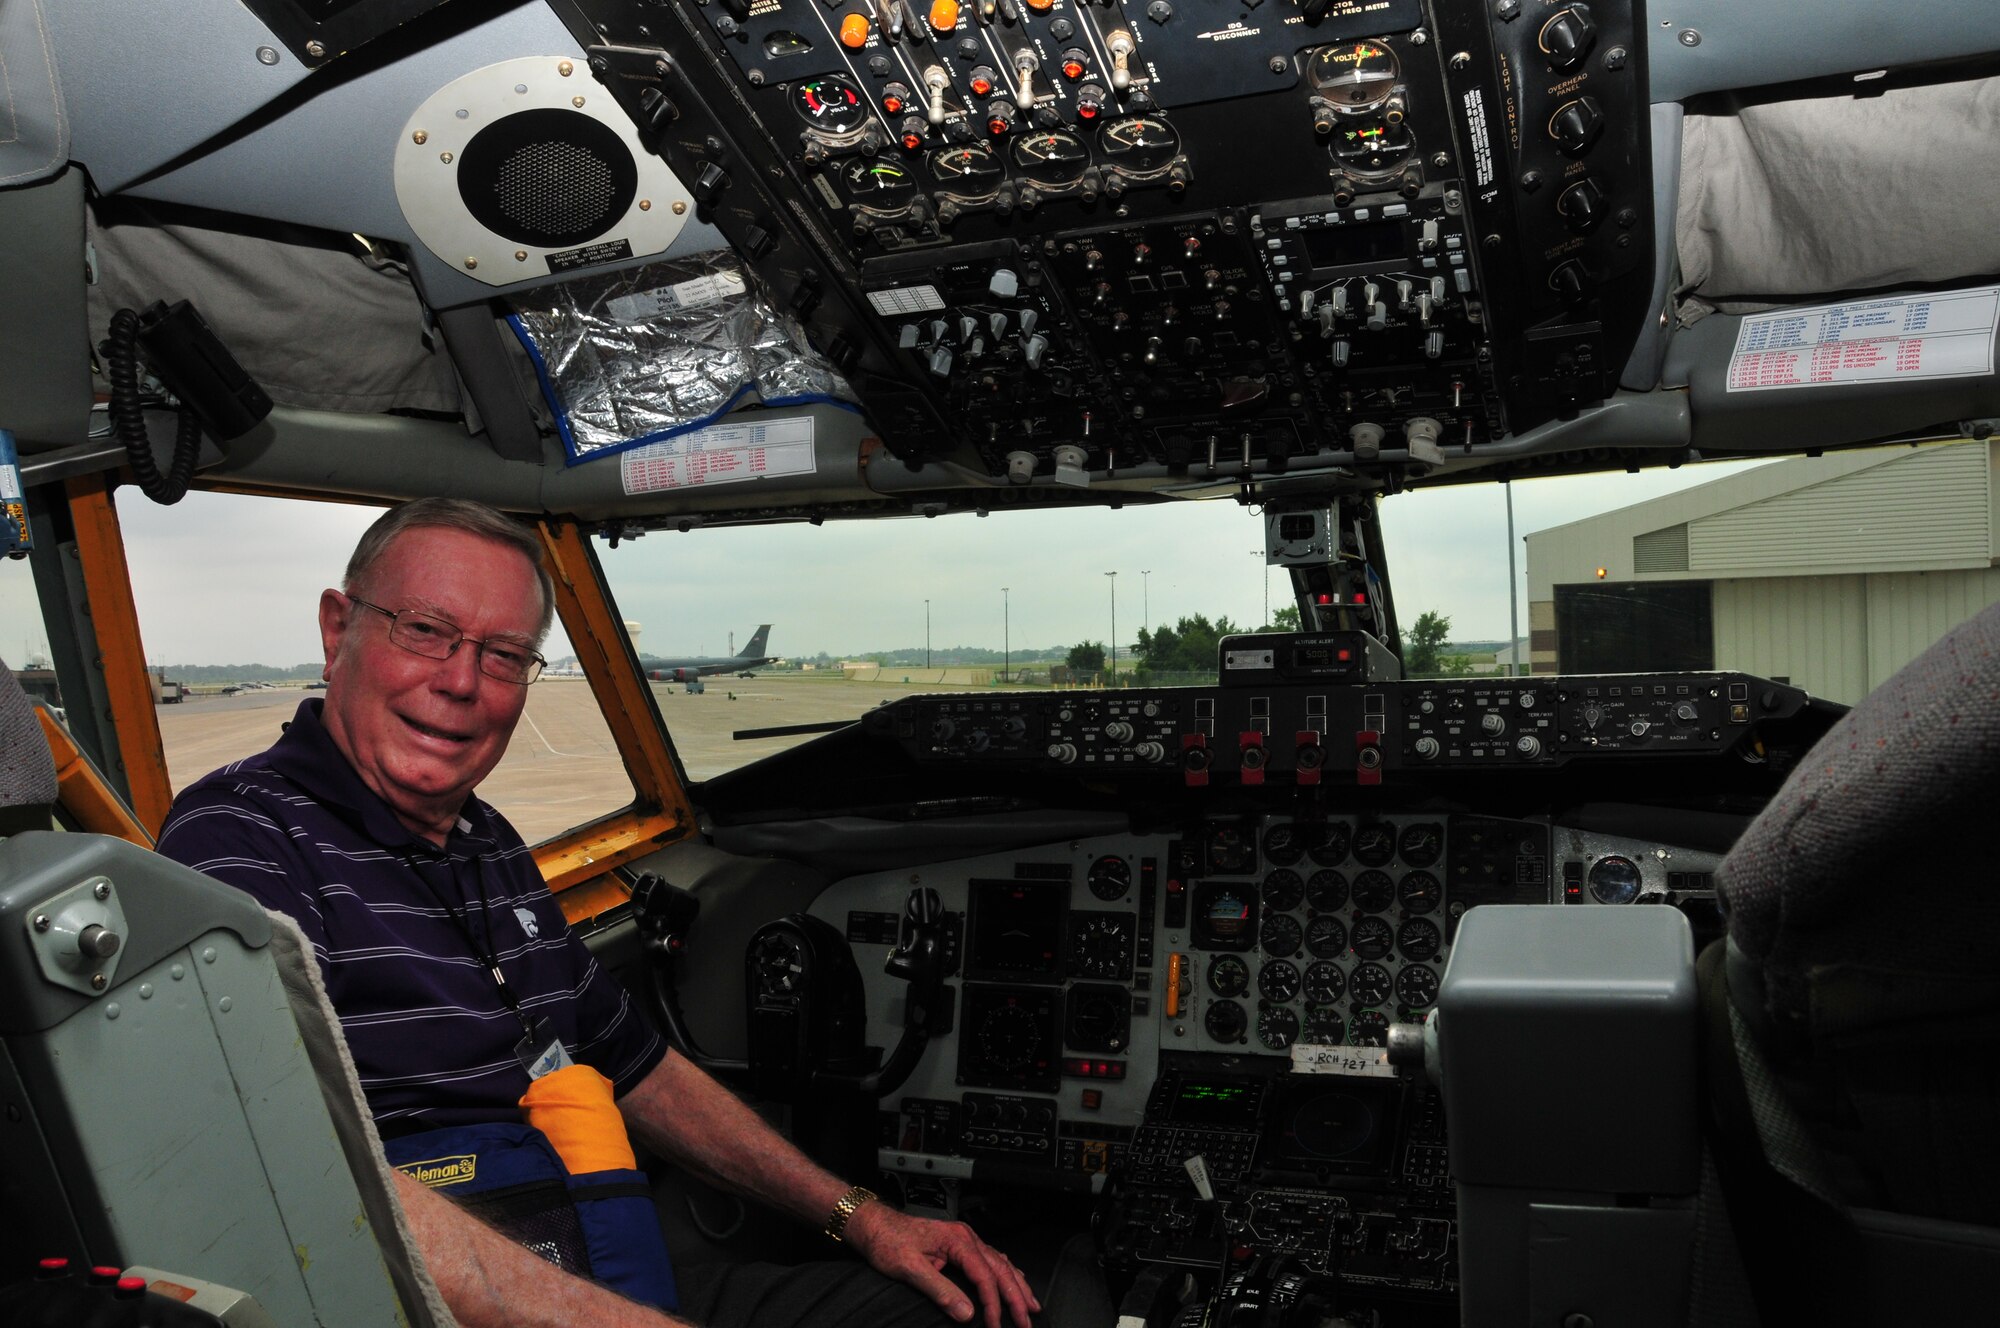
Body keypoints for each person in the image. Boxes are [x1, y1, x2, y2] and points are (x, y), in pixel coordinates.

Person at [156, 498, 1040, 1328]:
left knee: (952, 1309)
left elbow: (638, 1070)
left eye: (503, 655)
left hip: (600, 1261)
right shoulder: (239, 840)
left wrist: (863, 1218)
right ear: (337, 629)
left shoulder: (488, 840)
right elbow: (287, 1170)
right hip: (435, 1302)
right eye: (425, 631)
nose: (462, 681)